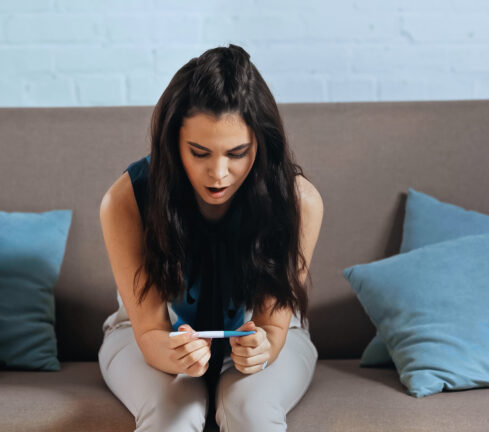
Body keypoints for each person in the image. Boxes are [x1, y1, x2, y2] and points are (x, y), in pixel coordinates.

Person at [98, 43, 323, 432]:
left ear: (260, 144)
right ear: (173, 145)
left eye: (237, 153)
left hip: (266, 335)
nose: (219, 174)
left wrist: (262, 349)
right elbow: (150, 332)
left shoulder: (300, 201)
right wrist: (173, 356)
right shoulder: (126, 200)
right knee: (174, 416)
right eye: (199, 153)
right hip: (149, 336)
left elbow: (272, 327)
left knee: (251, 413)